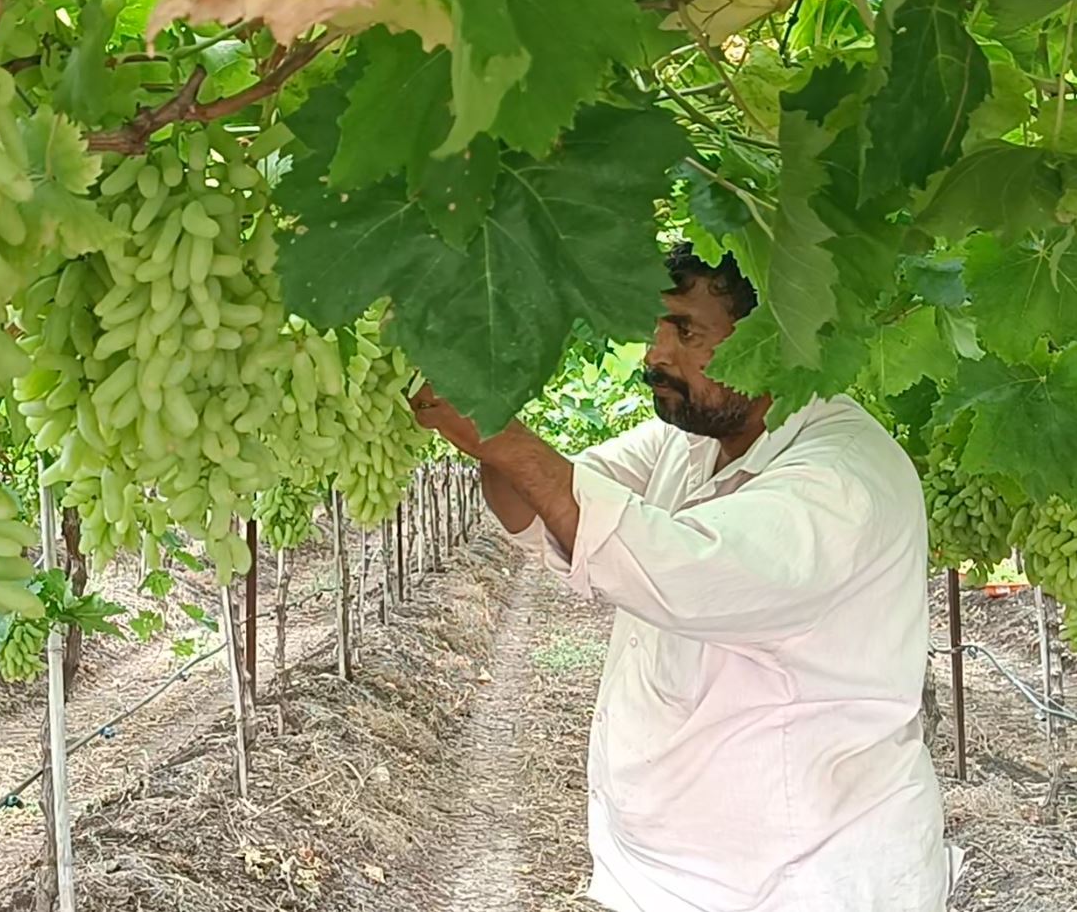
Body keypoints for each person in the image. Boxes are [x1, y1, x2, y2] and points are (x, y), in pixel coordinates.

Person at [409, 243, 957, 912]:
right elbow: (537, 503)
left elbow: (682, 571)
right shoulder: (692, 440)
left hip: (799, 884)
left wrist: (500, 434)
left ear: (778, 334)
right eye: (654, 328)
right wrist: (493, 394)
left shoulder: (841, 480)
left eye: (685, 331)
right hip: (676, 877)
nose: (653, 356)